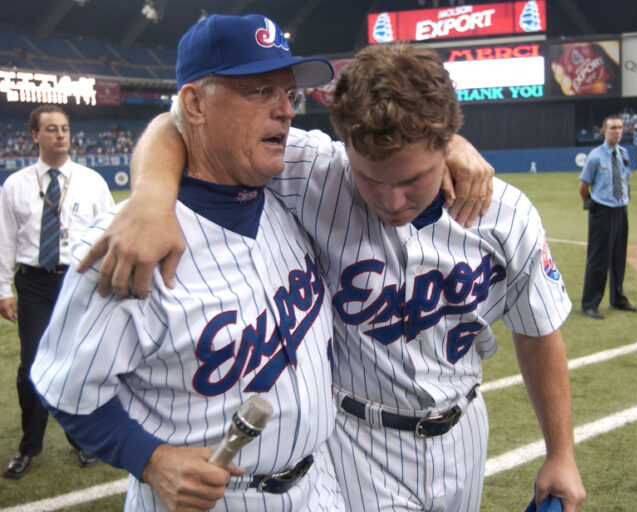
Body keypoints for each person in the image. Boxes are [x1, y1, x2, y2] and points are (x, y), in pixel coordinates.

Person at [77, 43, 585, 511]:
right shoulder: (315, 171)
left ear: (446, 142)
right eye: (371, 179)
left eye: (412, 180)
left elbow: (538, 329)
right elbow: (179, 121)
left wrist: (560, 452)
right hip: (355, 439)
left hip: (464, 428)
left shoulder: (507, 215)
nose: (390, 201)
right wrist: (150, 192)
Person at [31, 14, 347, 511]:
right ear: (196, 104)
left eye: (289, 94)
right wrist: (151, 459)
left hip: (320, 487)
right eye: (261, 90)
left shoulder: (291, 196)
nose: (285, 111)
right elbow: (66, 386)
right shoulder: (127, 244)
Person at [0, 105, 113, 479]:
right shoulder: (15, 185)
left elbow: (110, 231)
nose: (61, 135)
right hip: (32, 283)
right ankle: (28, 446)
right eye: (51, 129)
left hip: (78, 280)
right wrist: (4, 289)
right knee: (32, 365)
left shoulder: (92, 181)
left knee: (79, 363)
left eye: (64, 128)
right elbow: (5, 241)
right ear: (35, 136)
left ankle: (82, 440)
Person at [578, 114, 637, 319]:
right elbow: (583, 187)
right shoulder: (595, 156)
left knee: (618, 256)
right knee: (598, 258)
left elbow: (625, 178)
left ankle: (618, 298)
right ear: (604, 131)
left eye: (620, 128)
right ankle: (590, 303)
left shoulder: (624, 153)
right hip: (602, 210)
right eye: (613, 128)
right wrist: (591, 202)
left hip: (621, 209)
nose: (617, 131)